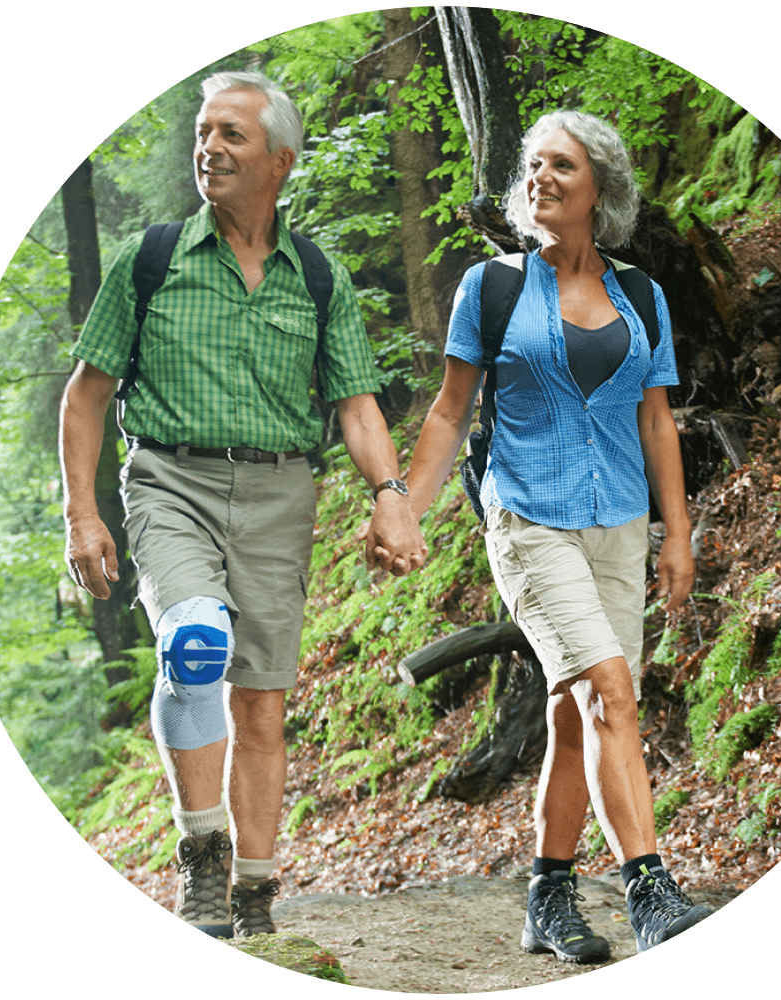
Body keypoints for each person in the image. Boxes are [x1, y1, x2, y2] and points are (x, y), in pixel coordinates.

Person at [59, 70, 426, 939]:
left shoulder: (319, 278)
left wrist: (393, 497)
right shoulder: (150, 261)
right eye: (204, 131)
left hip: (279, 494)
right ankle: (201, 858)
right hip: (168, 482)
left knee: (261, 700)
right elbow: (84, 396)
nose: (209, 147)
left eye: (232, 135)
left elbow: (356, 406)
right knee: (194, 644)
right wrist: (81, 512)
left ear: (280, 161)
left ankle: (257, 896)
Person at [396, 110, 712, 960]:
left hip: (618, 525)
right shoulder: (490, 287)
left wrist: (674, 533)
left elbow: (656, 424)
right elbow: (450, 412)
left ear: (598, 188)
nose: (539, 178)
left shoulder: (640, 293)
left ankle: (547, 895)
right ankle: (649, 889)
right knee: (610, 689)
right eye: (531, 165)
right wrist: (401, 503)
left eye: (560, 166)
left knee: (580, 718)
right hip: (528, 518)